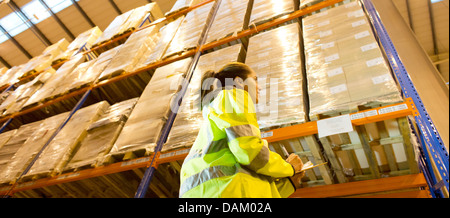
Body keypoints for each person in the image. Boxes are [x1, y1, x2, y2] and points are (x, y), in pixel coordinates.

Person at [179, 62, 305, 198]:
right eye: (255, 80)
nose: (260, 87)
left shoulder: (214, 117)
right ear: (239, 82)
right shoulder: (232, 96)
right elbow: (249, 152)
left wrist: (289, 183)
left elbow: (251, 186)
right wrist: (288, 168)